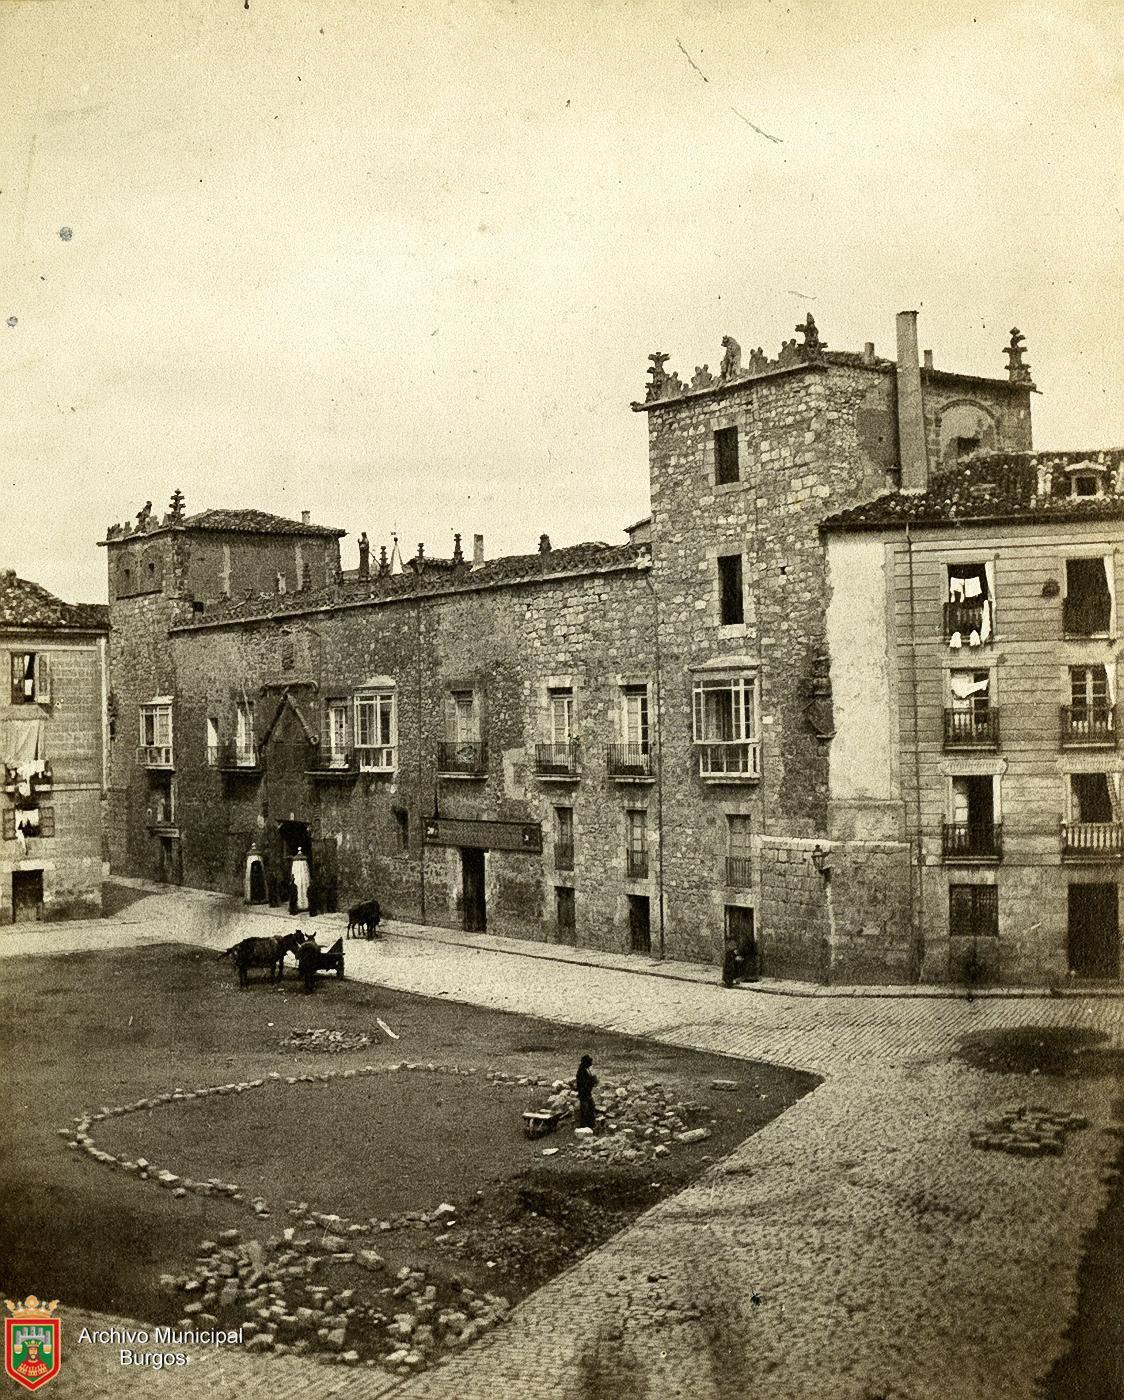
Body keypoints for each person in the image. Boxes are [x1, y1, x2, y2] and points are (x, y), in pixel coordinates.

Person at [575, 1054, 598, 1130]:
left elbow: (594, 1081)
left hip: (587, 1093)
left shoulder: (587, 1069)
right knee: (585, 1110)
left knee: (590, 1108)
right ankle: (584, 1126)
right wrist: (592, 1080)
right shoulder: (581, 1072)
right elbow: (584, 1083)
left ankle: (590, 1125)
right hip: (584, 1093)